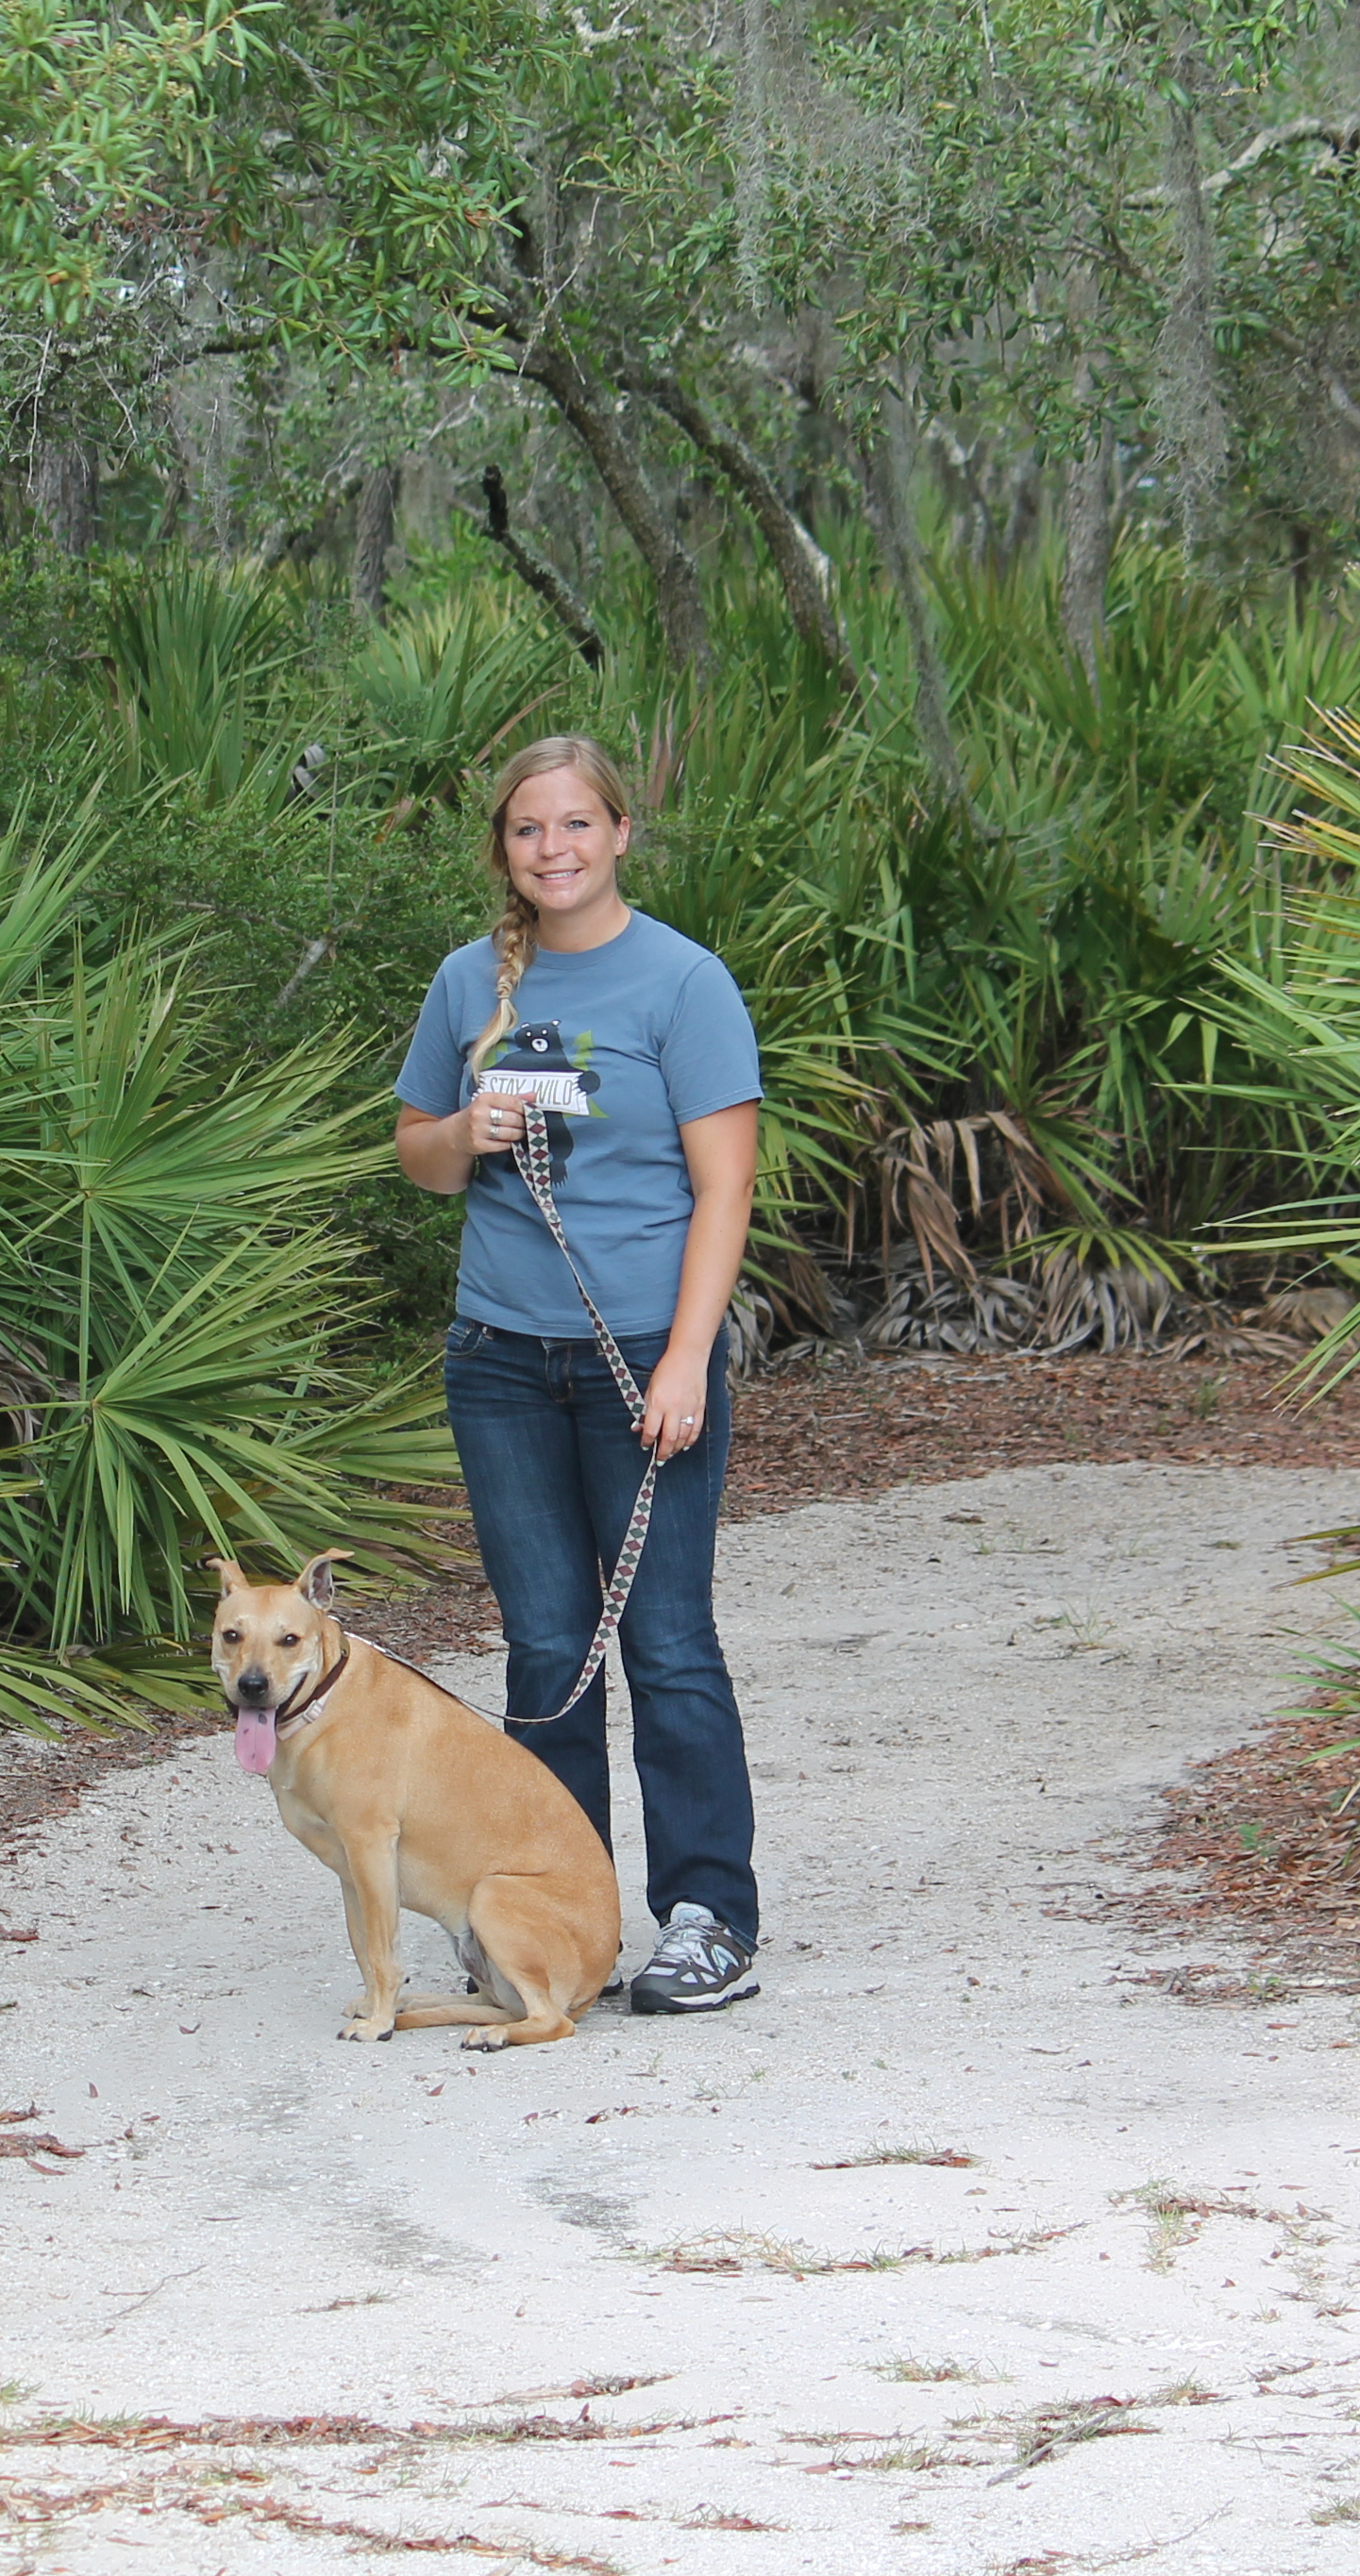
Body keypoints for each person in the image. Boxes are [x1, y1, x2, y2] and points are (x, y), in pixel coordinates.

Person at [393, 735, 767, 2014]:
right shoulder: (467, 983)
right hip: (500, 1361)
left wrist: (684, 1363)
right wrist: (462, 1129)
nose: (552, 849)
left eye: (574, 825)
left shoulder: (684, 983)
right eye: (526, 831)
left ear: (619, 832)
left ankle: (708, 1910)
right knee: (548, 1650)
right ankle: (557, 1912)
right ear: (504, 850)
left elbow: (725, 1189)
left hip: (643, 1369)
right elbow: (420, 1160)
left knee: (663, 1641)